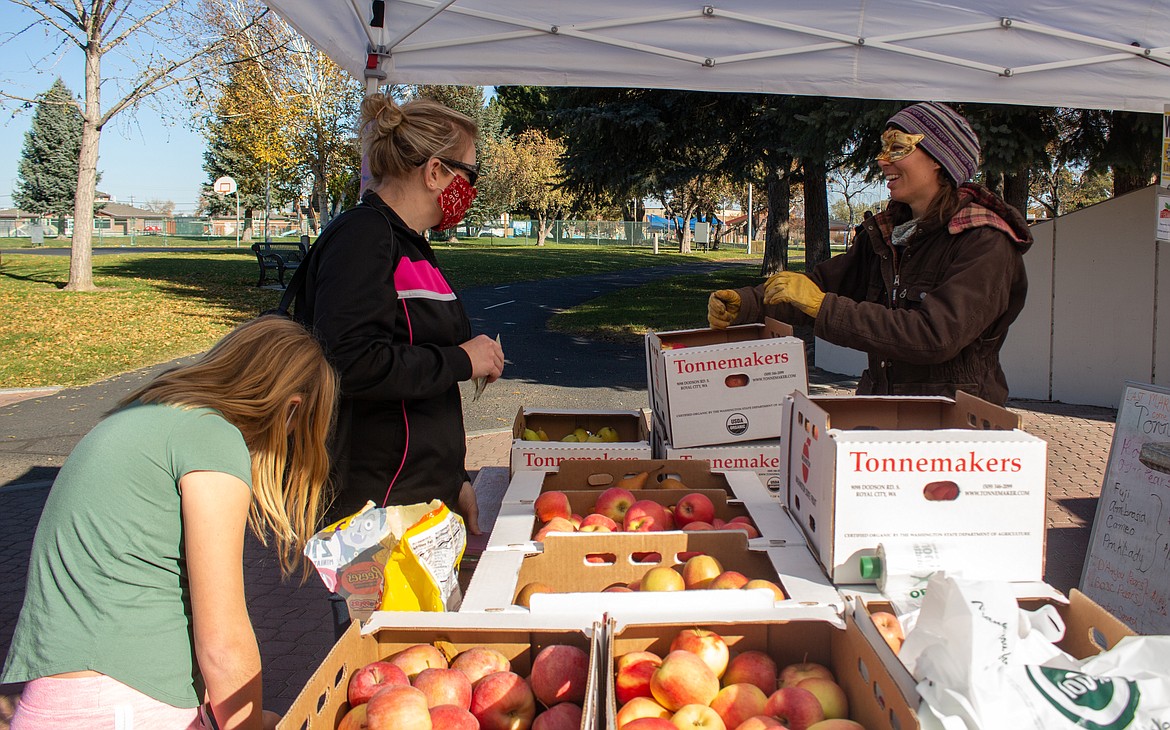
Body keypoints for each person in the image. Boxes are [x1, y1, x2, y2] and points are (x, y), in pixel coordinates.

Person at [1, 316, 339, 730]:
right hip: (121, 707)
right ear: (292, 408)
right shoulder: (210, 436)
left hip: (61, 700)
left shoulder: (141, 417)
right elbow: (223, 644)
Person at [708, 101, 1032, 406]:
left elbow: (936, 335)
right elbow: (823, 283)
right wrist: (747, 303)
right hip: (884, 410)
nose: (882, 159)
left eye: (899, 146)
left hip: (955, 427)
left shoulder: (984, 241)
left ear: (938, 159)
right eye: (884, 147)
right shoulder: (890, 233)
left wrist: (824, 308)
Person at [296, 94, 504, 530]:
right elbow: (349, 361)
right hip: (374, 513)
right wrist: (462, 359)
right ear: (434, 172)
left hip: (420, 497)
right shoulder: (363, 238)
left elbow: (419, 372)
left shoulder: (410, 243)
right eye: (470, 173)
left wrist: (452, 480)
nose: (471, 189)